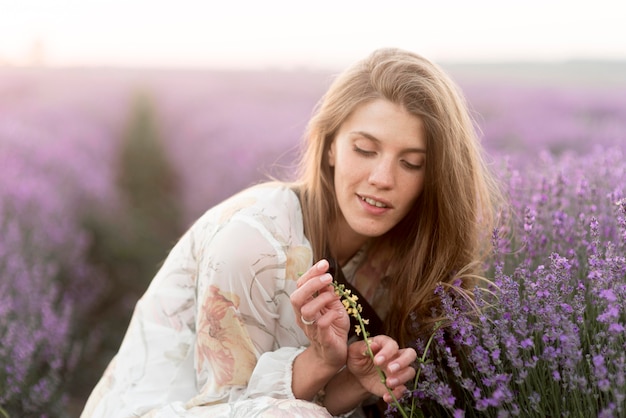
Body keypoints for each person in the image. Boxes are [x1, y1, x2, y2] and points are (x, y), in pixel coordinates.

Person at [81, 47, 501, 418]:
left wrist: (351, 381)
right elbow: (224, 406)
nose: (382, 178)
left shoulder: (404, 253)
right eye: (365, 149)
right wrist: (320, 362)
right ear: (331, 144)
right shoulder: (251, 246)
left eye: (411, 163)